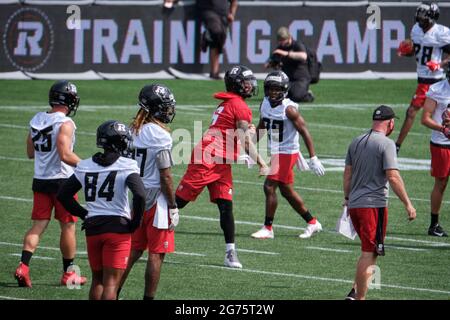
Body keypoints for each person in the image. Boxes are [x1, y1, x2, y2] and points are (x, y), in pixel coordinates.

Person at [175, 65, 268, 269]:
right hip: (207, 159)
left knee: (226, 206)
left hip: (220, 161)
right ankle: (141, 226)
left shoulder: (232, 103)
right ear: (237, 84)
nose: (251, 86)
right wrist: (262, 162)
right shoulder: (239, 105)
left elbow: (239, 137)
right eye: (246, 82)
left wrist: (253, 132)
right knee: (177, 203)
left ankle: (230, 252)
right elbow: (244, 141)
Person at [57, 120, 146, 300]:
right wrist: (135, 222)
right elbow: (140, 195)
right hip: (118, 229)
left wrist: (84, 214)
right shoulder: (127, 165)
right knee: (111, 283)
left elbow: (63, 195)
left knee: (97, 280)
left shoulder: (86, 165)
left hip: (93, 228)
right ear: (119, 142)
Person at [14, 80, 87, 288]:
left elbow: (30, 153)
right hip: (63, 181)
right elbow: (65, 155)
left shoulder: (36, 118)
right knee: (68, 226)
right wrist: (87, 165)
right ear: (69, 100)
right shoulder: (65, 123)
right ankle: (69, 274)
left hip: (40, 180)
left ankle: (23, 267)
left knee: (38, 225)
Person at [343, 105, 416, 300]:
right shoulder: (387, 144)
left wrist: (347, 199)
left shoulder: (355, 141)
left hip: (355, 205)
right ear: (391, 123)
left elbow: (348, 174)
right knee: (369, 253)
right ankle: (359, 298)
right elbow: (393, 176)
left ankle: (354, 292)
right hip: (373, 206)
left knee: (370, 251)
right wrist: (408, 203)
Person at [117, 84, 179, 300]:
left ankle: (112, 293)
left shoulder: (131, 129)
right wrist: (172, 205)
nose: (169, 110)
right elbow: (166, 176)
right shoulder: (160, 135)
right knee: (157, 253)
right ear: (156, 108)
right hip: (155, 199)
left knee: (133, 251)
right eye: (165, 106)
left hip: (135, 195)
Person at [251, 71, 325, 240]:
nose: (273, 93)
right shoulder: (264, 103)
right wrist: (250, 146)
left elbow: (304, 132)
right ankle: (312, 222)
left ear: (284, 90)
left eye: (277, 89)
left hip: (287, 151)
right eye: (270, 89)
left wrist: (313, 157)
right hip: (276, 151)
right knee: (286, 191)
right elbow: (263, 125)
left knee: (269, 186)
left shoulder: (289, 109)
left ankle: (268, 228)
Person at [395, 2, 450, 153]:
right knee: (414, 112)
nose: (420, 20)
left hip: (436, 80)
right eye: (419, 16)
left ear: (432, 17)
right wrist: (407, 52)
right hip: (422, 79)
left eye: (423, 17)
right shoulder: (416, 30)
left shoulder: (441, 33)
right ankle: (398, 145)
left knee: (426, 113)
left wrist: (439, 63)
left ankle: (398, 145)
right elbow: (417, 52)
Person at [420, 63, 450, 237]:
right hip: (442, 143)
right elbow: (425, 118)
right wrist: (443, 129)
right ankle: (434, 224)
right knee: (441, 182)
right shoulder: (437, 89)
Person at [265, 27, 314, 103]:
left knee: (296, 97)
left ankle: (307, 94)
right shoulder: (280, 48)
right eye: (280, 41)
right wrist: (273, 64)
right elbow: (267, 64)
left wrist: (286, 54)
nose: (282, 43)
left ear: (289, 37)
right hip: (287, 79)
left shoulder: (297, 45)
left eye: (283, 40)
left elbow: (303, 56)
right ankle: (296, 92)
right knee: (279, 96)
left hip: (300, 78)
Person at [197, 0, 238, 79]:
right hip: (208, 9)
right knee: (216, 31)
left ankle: (214, 72)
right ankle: (206, 36)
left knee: (219, 40)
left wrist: (232, 13)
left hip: (223, 13)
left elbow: (234, 1)